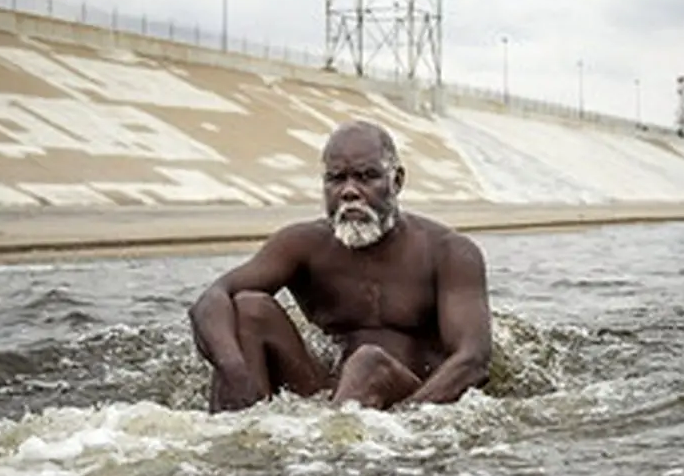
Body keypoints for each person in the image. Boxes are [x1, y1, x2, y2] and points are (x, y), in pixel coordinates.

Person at [188, 119, 492, 412]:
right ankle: (236, 433)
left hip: (412, 398)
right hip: (329, 397)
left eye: (366, 177)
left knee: (369, 363)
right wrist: (233, 369)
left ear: (397, 181)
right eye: (336, 179)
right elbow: (213, 298)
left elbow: (472, 360)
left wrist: (409, 420)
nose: (349, 191)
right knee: (249, 308)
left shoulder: (448, 252)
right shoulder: (302, 244)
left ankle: (329, 442)